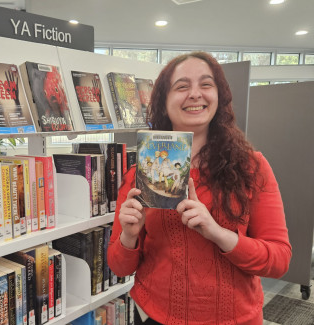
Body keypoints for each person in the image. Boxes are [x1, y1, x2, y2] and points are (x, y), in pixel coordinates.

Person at [107, 52, 292, 325]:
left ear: (219, 96)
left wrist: (217, 233)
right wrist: (129, 237)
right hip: (154, 315)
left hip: (236, 319)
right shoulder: (141, 173)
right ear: (163, 101)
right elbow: (119, 266)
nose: (195, 94)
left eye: (206, 84)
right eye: (182, 86)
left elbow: (279, 260)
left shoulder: (251, 167)